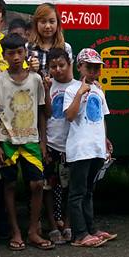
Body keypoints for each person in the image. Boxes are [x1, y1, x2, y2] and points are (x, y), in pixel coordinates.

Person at [0, 33, 52, 251]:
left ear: (26, 53)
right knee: (10, 185)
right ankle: (15, 231)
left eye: (19, 52)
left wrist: (43, 142)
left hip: (31, 140)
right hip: (7, 141)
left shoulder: (35, 79)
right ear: (3, 56)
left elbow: (43, 112)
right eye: (10, 53)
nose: (15, 57)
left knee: (36, 184)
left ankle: (33, 230)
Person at [65, 48, 116, 247]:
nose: (93, 72)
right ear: (80, 67)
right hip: (79, 149)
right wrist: (79, 94)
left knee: (88, 191)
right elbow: (69, 116)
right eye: (89, 67)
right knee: (77, 192)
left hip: (96, 148)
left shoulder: (99, 90)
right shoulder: (72, 89)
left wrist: (104, 140)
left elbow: (102, 117)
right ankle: (79, 234)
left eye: (97, 68)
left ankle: (91, 229)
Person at [45, 47, 78, 244]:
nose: (58, 70)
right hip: (51, 143)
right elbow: (44, 115)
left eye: (61, 65)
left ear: (69, 64)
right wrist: (42, 142)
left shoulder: (78, 86)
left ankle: (67, 223)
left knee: (70, 186)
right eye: (53, 66)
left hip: (72, 146)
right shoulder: (47, 86)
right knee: (48, 185)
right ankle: (51, 225)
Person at [26, 3, 74, 75]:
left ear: (57, 23)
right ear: (36, 24)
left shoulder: (65, 48)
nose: (47, 26)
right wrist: (30, 70)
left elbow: (69, 78)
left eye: (52, 22)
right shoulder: (27, 47)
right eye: (43, 22)